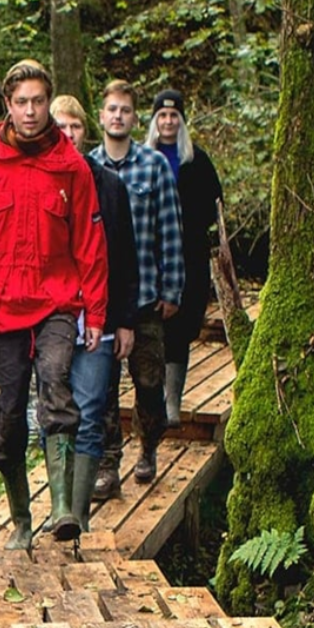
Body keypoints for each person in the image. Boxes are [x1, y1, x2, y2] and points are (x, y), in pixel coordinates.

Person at [0, 60, 108, 549]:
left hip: (58, 303)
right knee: (9, 417)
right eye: (21, 102)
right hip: (1, 309)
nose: (31, 111)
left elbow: (91, 243)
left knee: (58, 387)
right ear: (7, 106)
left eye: (39, 101)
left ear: (49, 103)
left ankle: (63, 510)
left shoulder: (72, 167)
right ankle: (22, 520)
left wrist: (97, 315)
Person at [88, 79, 184, 497]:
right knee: (104, 388)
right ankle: (108, 466)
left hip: (146, 297)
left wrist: (173, 289)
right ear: (102, 115)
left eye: (125, 110)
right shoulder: (88, 167)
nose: (118, 117)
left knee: (148, 384)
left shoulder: (153, 167)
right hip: (102, 302)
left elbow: (171, 229)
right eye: (111, 110)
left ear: (134, 117)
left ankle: (148, 447)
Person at [48, 95, 139, 533]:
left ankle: (76, 518)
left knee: (90, 408)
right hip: (50, 318)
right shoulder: (37, 179)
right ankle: (59, 504)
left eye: (75, 128)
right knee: (54, 408)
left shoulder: (108, 184)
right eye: (59, 128)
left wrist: (124, 320)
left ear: (86, 132)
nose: (67, 136)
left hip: (99, 317)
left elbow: (124, 256)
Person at [145, 89, 223, 427]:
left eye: (173, 116)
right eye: (161, 116)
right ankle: (153, 399)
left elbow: (216, 207)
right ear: (153, 121)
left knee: (182, 328)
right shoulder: (142, 160)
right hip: (151, 259)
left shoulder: (197, 161)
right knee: (152, 329)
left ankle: (172, 403)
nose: (167, 122)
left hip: (190, 258)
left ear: (182, 120)